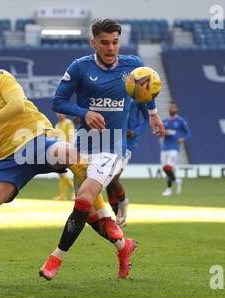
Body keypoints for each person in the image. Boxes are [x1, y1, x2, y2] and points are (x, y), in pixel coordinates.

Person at [0, 50, 122, 286]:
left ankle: (104, 216)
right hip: (9, 160)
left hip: (36, 139)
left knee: (71, 154)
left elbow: (16, 105)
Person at [40, 19, 165, 281]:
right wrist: (84, 112)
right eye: (105, 42)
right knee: (88, 214)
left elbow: (148, 88)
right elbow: (58, 101)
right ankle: (123, 246)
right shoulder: (80, 67)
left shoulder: (133, 65)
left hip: (113, 147)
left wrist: (153, 114)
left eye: (115, 42)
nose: (111, 48)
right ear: (93, 42)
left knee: (84, 198)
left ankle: (55, 258)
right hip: (84, 146)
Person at [106, 101, 151, 227]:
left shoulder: (137, 96)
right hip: (111, 140)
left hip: (128, 144)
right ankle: (118, 219)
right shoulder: (115, 91)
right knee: (108, 182)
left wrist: (135, 131)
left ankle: (123, 201)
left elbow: (147, 119)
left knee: (114, 178)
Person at [160, 101, 191, 196]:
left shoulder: (180, 121)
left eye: (174, 107)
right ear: (168, 109)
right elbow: (160, 132)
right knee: (165, 168)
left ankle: (168, 189)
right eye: (170, 107)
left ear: (176, 109)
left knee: (168, 167)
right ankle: (177, 180)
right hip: (165, 147)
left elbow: (188, 132)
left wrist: (183, 138)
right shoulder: (164, 120)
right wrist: (162, 133)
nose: (172, 109)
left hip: (174, 147)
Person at [53, 113, 76, 201]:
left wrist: (70, 148)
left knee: (61, 172)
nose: (60, 115)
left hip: (66, 149)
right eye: (58, 113)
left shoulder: (68, 123)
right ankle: (63, 195)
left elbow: (71, 136)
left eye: (61, 113)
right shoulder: (57, 125)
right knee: (61, 172)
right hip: (59, 149)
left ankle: (74, 192)